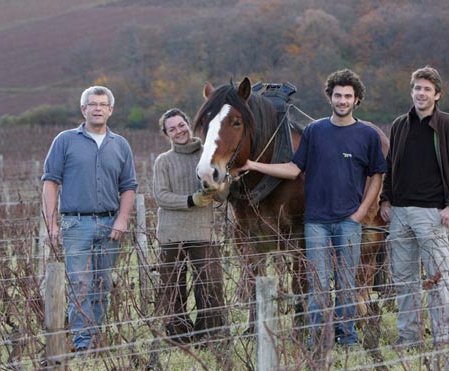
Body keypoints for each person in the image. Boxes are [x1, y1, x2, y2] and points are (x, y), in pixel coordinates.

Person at [237, 69, 387, 348]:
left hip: (349, 221)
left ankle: (347, 337)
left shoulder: (366, 134)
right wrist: (253, 165)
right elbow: (294, 169)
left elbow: (376, 176)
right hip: (316, 222)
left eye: (348, 96)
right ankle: (316, 337)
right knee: (317, 283)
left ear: (357, 101)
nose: (342, 101)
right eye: (337, 95)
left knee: (346, 282)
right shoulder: (315, 131)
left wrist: (360, 212)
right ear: (330, 97)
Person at [379, 66, 449, 348]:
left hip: (432, 214)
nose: (421, 94)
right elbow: (390, 167)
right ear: (412, 92)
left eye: (427, 89)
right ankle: (408, 337)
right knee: (404, 279)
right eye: (417, 88)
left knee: (436, 278)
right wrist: (386, 199)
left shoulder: (448, 125)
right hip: (399, 213)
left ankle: (442, 337)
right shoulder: (399, 125)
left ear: (437, 94)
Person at [42, 86, 137, 352]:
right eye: (92, 104)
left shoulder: (120, 145)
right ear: (83, 109)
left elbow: (129, 186)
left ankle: (96, 339)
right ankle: (84, 345)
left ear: (110, 110)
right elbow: (50, 182)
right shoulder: (65, 140)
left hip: (110, 225)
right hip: (76, 224)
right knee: (79, 286)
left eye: (102, 104)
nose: (97, 108)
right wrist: (51, 224)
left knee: (103, 284)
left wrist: (123, 218)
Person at [153, 108, 226, 345]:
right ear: (166, 134)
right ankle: (179, 338)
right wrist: (190, 200)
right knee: (173, 288)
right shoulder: (163, 161)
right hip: (171, 234)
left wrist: (216, 188)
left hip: (202, 231)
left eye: (181, 125)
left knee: (210, 285)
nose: (179, 131)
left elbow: (223, 196)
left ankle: (209, 335)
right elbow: (161, 196)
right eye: (172, 129)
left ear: (188, 124)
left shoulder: (208, 154)